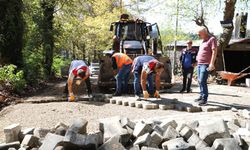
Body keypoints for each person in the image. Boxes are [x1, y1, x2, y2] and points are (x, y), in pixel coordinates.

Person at [195, 26, 217, 106]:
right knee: (199, 81)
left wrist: (212, 63)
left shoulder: (212, 39)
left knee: (202, 81)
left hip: (206, 64)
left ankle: (204, 99)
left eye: (199, 34)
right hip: (199, 64)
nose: (198, 35)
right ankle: (201, 96)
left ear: (204, 32)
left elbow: (214, 52)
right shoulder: (203, 41)